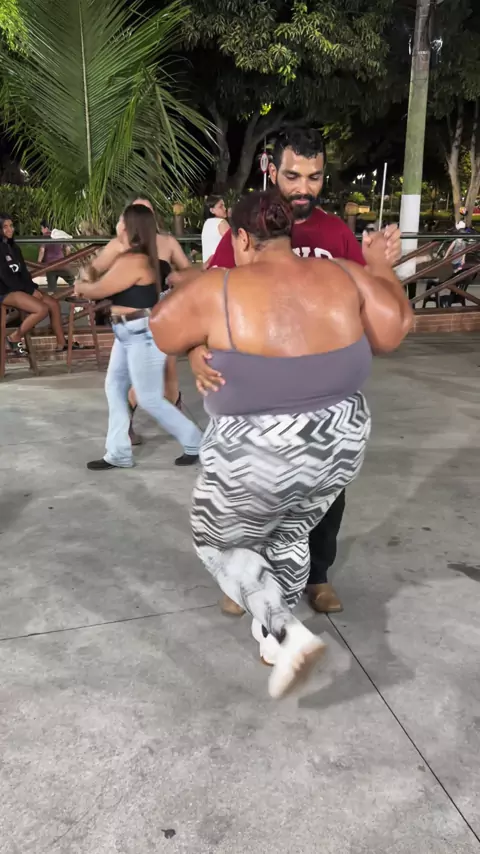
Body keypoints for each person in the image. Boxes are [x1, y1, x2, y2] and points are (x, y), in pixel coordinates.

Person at [149, 191, 412, 698]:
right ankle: (271, 640)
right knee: (290, 532)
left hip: (259, 450)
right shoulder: (344, 273)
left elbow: (162, 330)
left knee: (218, 543)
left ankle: (288, 635)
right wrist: (379, 264)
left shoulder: (222, 286)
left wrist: (199, 340)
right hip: (339, 444)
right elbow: (394, 330)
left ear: (242, 238)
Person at [174, 127, 402, 617]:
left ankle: (317, 576)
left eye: (314, 177)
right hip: (253, 401)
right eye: (293, 175)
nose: (303, 188)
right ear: (273, 171)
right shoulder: (247, 228)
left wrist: (380, 274)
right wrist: (196, 348)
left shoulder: (335, 235)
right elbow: (205, 298)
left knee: (323, 497)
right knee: (251, 497)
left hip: (321, 403)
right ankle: (250, 578)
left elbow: (371, 310)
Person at [75, 203, 202, 470]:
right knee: (115, 387)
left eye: (122, 221)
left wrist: (82, 285)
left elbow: (97, 289)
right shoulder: (128, 255)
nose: (118, 225)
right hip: (126, 332)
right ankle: (118, 452)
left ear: (130, 227)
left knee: (148, 398)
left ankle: (196, 442)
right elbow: (95, 271)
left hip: (142, 333)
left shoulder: (136, 261)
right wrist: (89, 276)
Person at [90, 197, 191, 443]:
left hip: (164, 311)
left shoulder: (167, 242)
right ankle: (130, 423)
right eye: (137, 210)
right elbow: (96, 272)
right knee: (140, 374)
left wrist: (177, 279)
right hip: (135, 317)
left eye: (147, 210)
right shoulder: (120, 245)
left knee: (168, 367)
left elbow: (186, 270)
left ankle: (178, 419)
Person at [0, 213, 70, 354]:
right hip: (5, 291)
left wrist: (32, 288)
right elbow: (5, 278)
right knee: (41, 309)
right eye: (5, 227)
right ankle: (14, 337)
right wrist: (29, 291)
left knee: (53, 304)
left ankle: (62, 343)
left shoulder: (14, 248)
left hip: (20, 288)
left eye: (11, 226)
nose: (10, 229)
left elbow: (24, 273)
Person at [38, 221, 75, 293]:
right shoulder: (60, 235)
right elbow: (68, 249)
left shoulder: (44, 237)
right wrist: (67, 262)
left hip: (49, 265)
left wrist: (38, 263)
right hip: (61, 263)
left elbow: (42, 250)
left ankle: (53, 297)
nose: (41, 230)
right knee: (72, 281)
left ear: (46, 228)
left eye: (41, 228)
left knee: (51, 288)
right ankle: (75, 293)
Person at [201, 195, 230, 266]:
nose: (224, 209)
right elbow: (234, 242)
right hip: (221, 266)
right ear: (212, 210)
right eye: (221, 206)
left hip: (209, 267)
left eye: (224, 206)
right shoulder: (221, 222)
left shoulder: (207, 223)